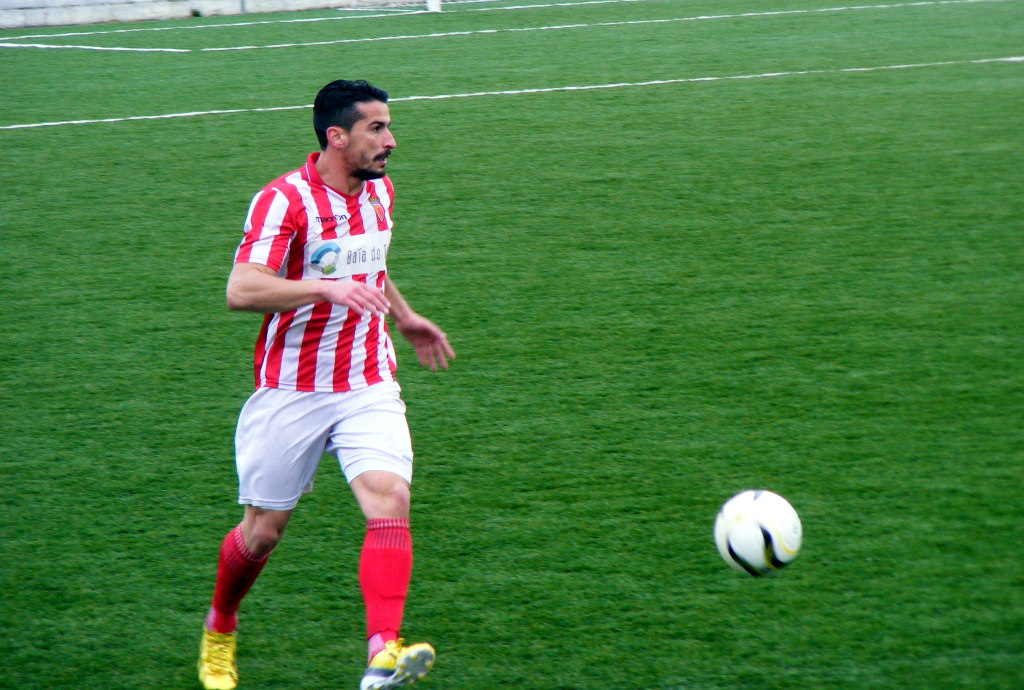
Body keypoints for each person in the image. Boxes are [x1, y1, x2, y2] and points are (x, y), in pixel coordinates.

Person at [197, 79, 454, 690]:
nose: (390, 141)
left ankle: (382, 653)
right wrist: (324, 288)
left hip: (368, 378)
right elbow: (241, 289)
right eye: (376, 128)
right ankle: (221, 626)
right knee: (262, 533)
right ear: (337, 137)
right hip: (293, 386)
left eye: (388, 126)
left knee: (389, 498)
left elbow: (370, 264)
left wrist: (404, 316)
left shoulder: (380, 190)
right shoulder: (283, 201)